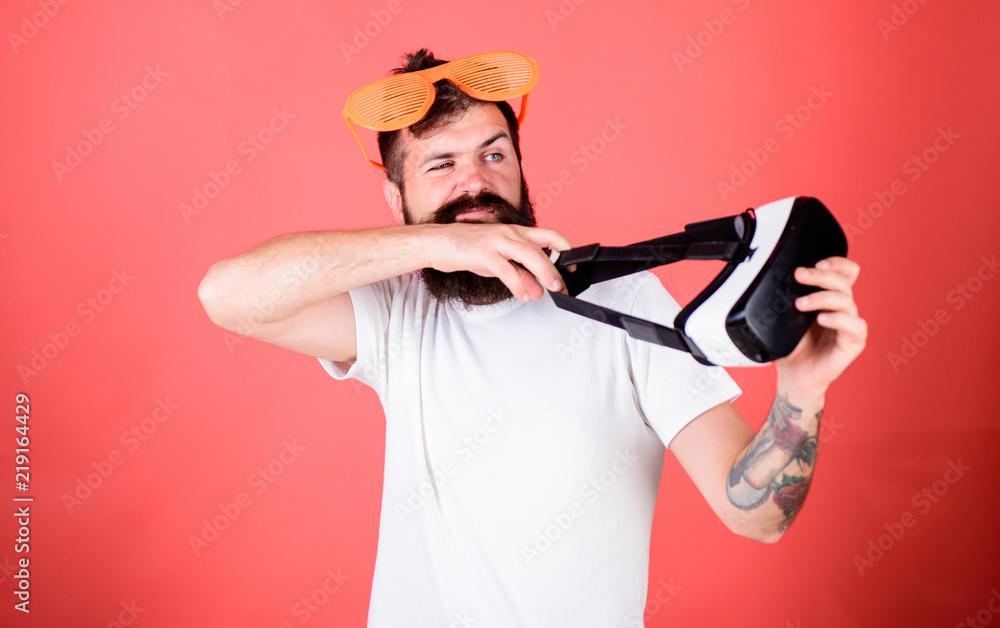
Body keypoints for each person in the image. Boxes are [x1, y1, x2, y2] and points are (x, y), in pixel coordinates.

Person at [198, 49, 867, 627]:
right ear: (397, 204)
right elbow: (226, 295)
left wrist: (801, 392)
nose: (475, 181)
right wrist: (440, 243)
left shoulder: (624, 302)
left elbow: (756, 515)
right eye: (440, 166)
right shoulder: (398, 313)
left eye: (494, 154)